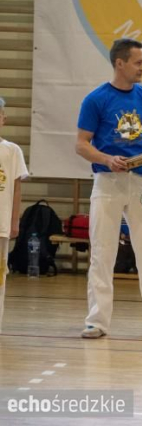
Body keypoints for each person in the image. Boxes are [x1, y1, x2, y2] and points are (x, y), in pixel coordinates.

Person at [76, 38, 142, 339]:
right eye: (138, 62)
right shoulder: (96, 100)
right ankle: (97, 321)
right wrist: (107, 159)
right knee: (103, 252)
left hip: (141, 181)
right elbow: (81, 144)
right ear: (119, 63)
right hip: (107, 182)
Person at [0, 96, 29, 333]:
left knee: (0, 276)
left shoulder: (12, 151)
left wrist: (14, 221)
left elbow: (17, 187)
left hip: (1, 224)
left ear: (4, 119)